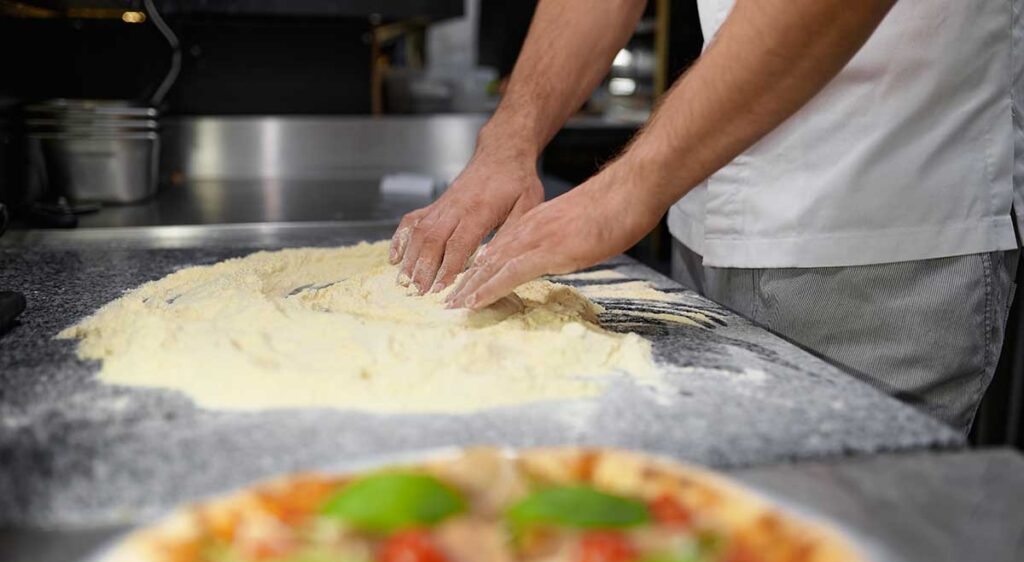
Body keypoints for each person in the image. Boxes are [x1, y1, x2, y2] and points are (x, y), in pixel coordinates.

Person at [389, 0, 1023, 434]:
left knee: (838, 560)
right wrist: (510, 141)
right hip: (706, 229)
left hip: (877, 234)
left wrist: (626, 189)